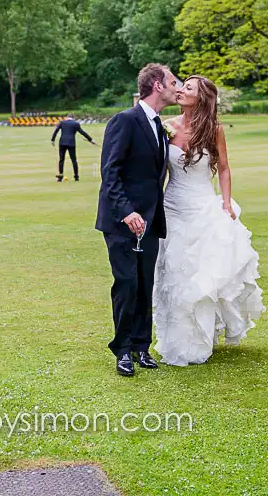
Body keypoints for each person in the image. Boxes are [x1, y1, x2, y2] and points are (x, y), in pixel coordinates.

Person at [153, 76, 264, 366]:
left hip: (202, 207)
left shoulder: (213, 129)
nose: (180, 90)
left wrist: (226, 204)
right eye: (182, 86)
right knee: (173, 272)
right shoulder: (166, 126)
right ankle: (174, 340)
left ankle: (199, 338)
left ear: (201, 97)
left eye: (188, 88)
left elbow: (225, 169)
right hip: (172, 207)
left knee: (199, 273)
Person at [95, 63, 179, 377]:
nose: (176, 87)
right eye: (173, 81)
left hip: (151, 221)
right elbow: (110, 173)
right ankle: (123, 349)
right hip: (122, 222)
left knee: (146, 285)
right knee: (127, 283)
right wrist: (127, 211)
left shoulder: (160, 126)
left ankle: (142, 347)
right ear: (157, 85)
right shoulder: (124, 121)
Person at [51, 113, 97, 182]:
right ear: (73, 117)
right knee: (74, 160)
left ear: (67, 117)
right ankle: (76, 177)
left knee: (61, 159)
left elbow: (56, 131)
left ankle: (60, 177)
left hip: (62, 142)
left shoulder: (62, 122)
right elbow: (82, 132)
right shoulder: (75, 124)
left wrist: (53, 140)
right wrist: (91, 140)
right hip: (71, 143)